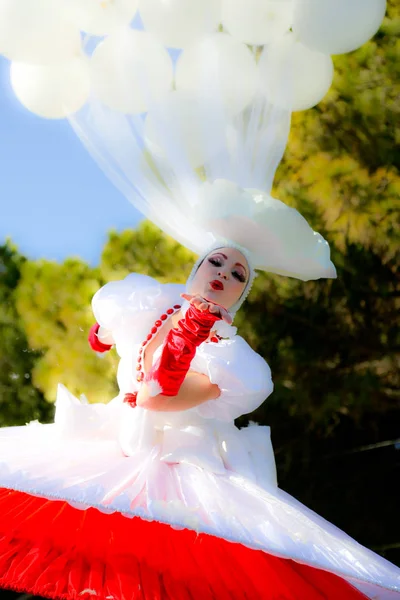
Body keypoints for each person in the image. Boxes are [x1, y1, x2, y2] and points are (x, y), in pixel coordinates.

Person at [1, 227, 400, 599]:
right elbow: (102, 337)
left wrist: (191, 331)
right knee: (101, 562)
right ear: (198, 265)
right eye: (217, 262)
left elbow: (155, 397)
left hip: (179, 467)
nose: (224, 273)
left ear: (240, 295)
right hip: (115, 445)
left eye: (238, 274)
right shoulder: (151, 303)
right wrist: (110, 331)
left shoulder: (227, 356)